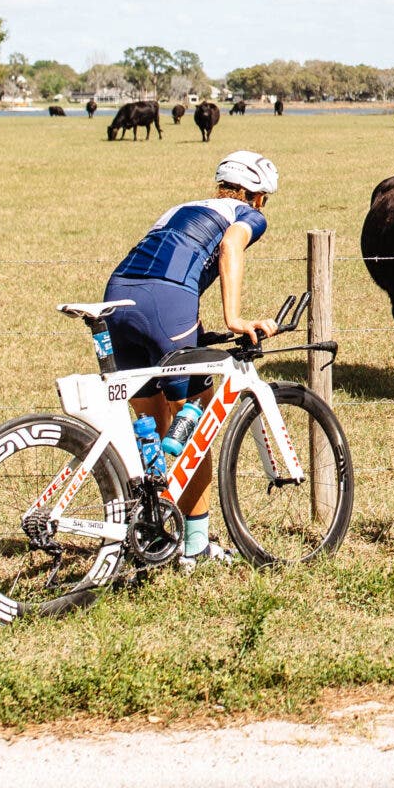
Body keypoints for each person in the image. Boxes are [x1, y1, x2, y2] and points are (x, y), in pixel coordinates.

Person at [100, 149, 280, 570]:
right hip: (168, 299)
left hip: (117, 298)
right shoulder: (246, 213)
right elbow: (230, 247)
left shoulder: (181, 208)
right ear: (257, 196)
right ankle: (195, 547)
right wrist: (234, 318)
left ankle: (152, 529)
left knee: (150, 422)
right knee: (195, 420)